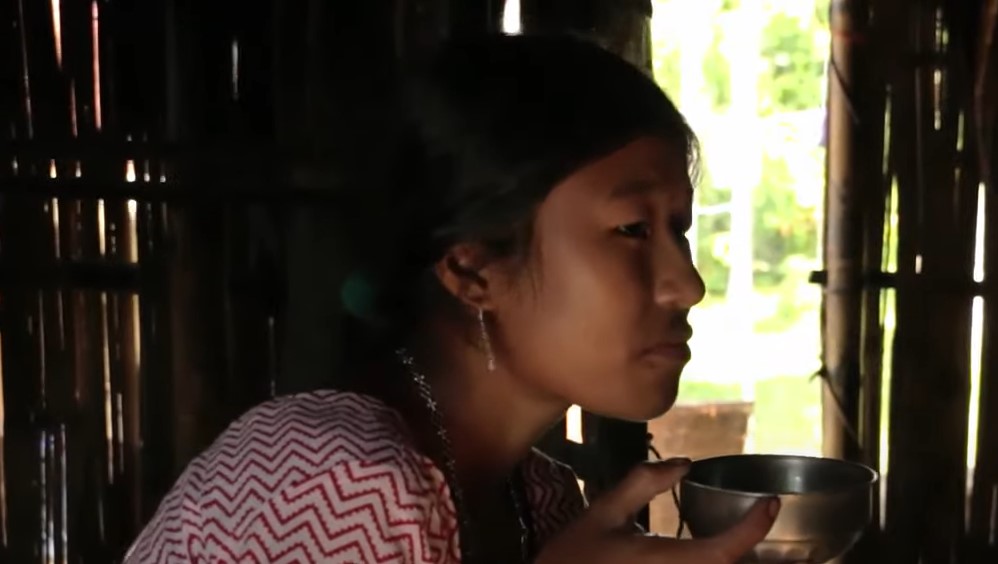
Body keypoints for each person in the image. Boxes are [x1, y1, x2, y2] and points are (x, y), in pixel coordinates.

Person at [124, 32, 779, 564]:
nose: (687, 284)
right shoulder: (337, 476)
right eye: (632, 229)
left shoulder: (539, 499)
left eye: (679, 230)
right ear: (473, 269)